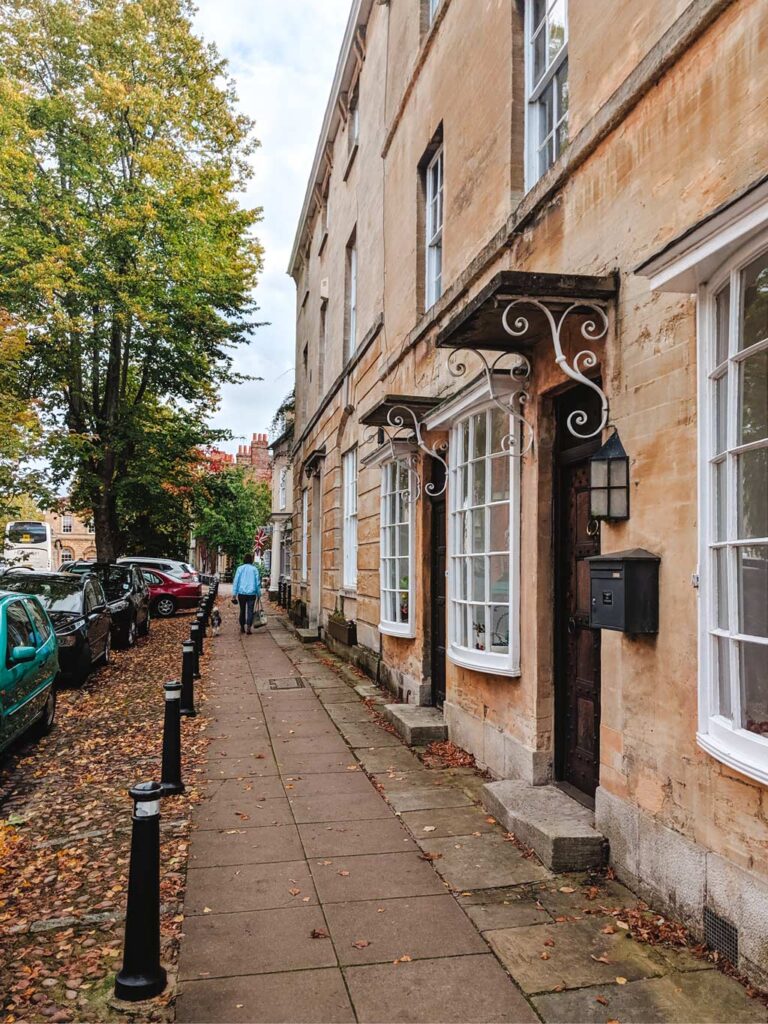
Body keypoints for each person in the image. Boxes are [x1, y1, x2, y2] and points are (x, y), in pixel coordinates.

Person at [231, 553, 261, 635]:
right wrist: (259, 593)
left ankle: (242, 627)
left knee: (242, 610)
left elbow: (236, 582)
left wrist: (234, 594)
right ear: (251, 560)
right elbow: (257, 582)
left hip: (241, 593)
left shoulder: (240, 569)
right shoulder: (255, 569)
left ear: (244, 560)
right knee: (250, 611)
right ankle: (248, 627)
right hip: (252, 593)